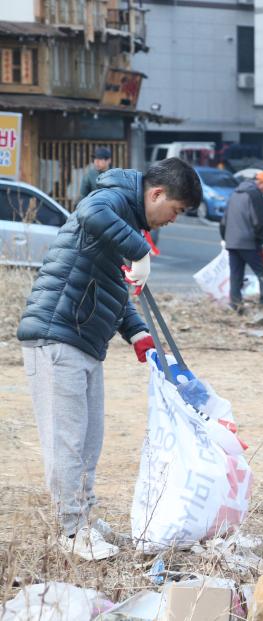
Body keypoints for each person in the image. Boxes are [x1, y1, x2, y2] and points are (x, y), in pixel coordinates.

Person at [17, 158, 201, 560]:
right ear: (157, 194)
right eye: (176, 210)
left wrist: (139, 335)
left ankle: (83, 518)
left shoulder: (125, 217)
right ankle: (70, 531)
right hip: (55, 334)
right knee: (67, 440)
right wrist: (141, 251)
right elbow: (89, 210)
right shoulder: (112, 198)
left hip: (82, 339)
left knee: (88, 440)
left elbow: (111, 284)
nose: (173, 220)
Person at [220, 170, 263, 311]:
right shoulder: (255, 195)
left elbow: (224, 220)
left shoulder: (235, 193)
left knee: (236, 275)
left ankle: (236, 306)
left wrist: (225, 238)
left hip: (232, 242)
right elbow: (259, 222)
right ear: (261, 183)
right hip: (248, 242)